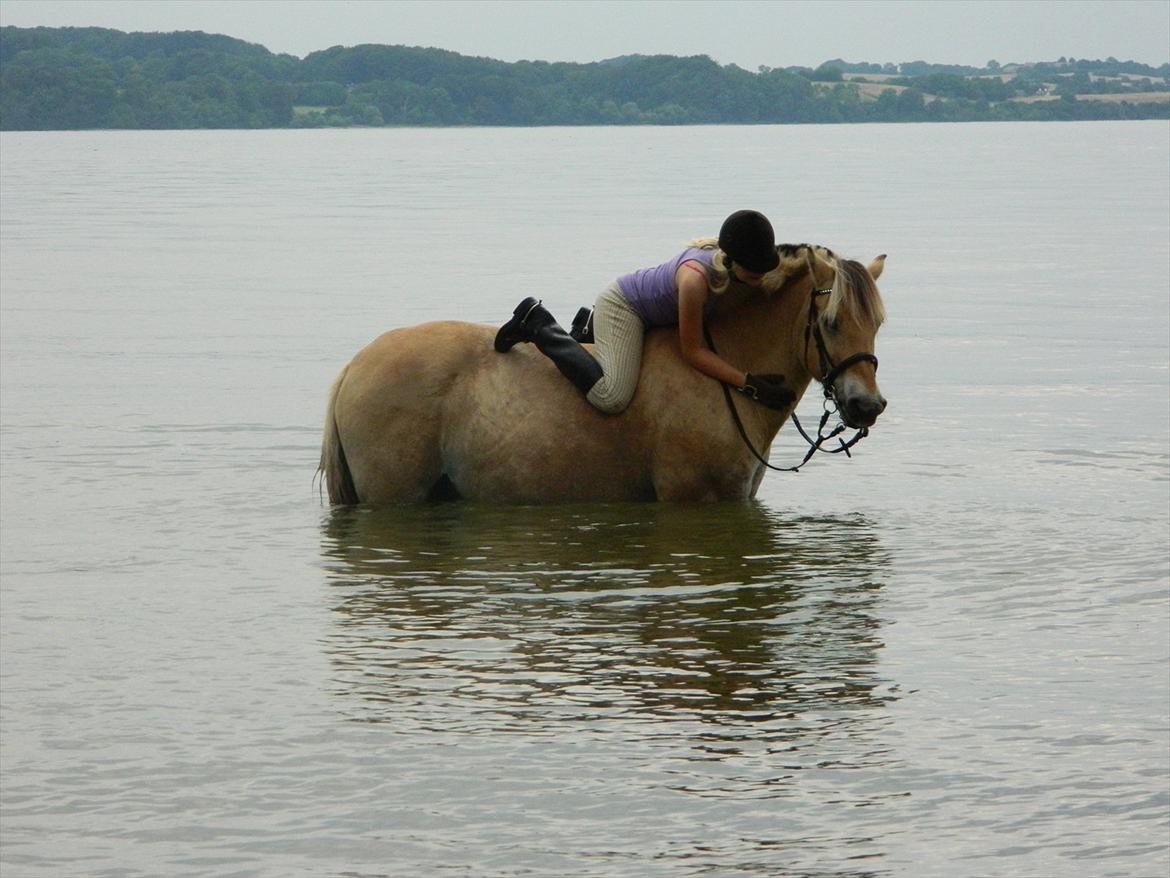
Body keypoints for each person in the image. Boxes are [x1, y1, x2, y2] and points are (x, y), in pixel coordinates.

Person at [493, 209, 794, 414]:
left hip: (656, 314)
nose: (760, 279)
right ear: (735, 262)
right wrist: (749, 384)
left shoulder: (733, 268)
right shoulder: (695, 280)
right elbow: (693, 352)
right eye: (755, 273)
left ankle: (587, 330)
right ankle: (538, 323)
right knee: (611, 397)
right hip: (624, 308)